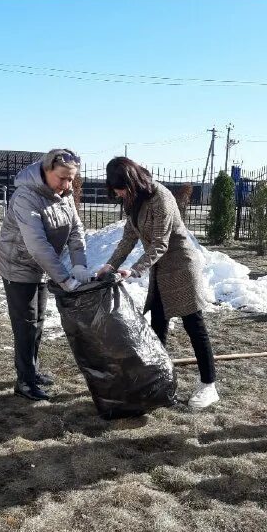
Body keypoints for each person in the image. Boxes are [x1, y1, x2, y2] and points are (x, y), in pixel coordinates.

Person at [96, 157, 218, 409]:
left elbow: (160, 243)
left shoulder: (161, 197)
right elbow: (129, 237)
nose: (117, 194)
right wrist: (111, 264)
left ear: (131, 181)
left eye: (119, 188)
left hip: (181, 266)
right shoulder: (134, 200)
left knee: (194, 325)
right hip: (161, 270)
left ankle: (209, 386)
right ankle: (157, 380)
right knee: (157, 324)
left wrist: (134, 269)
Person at [0, 148, 90, 402]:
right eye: (62, 178)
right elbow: (37, 244)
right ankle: (24, 382)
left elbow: (75, 231)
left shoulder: (64, 195)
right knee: (25, 324)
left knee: (37, 322)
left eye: (71, 179)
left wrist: (79, 264)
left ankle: (32, 371)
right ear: (46, 170)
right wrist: (64, 278)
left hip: (41, 266)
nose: (67, 184)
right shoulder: (26, 197)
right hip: (17, 265)